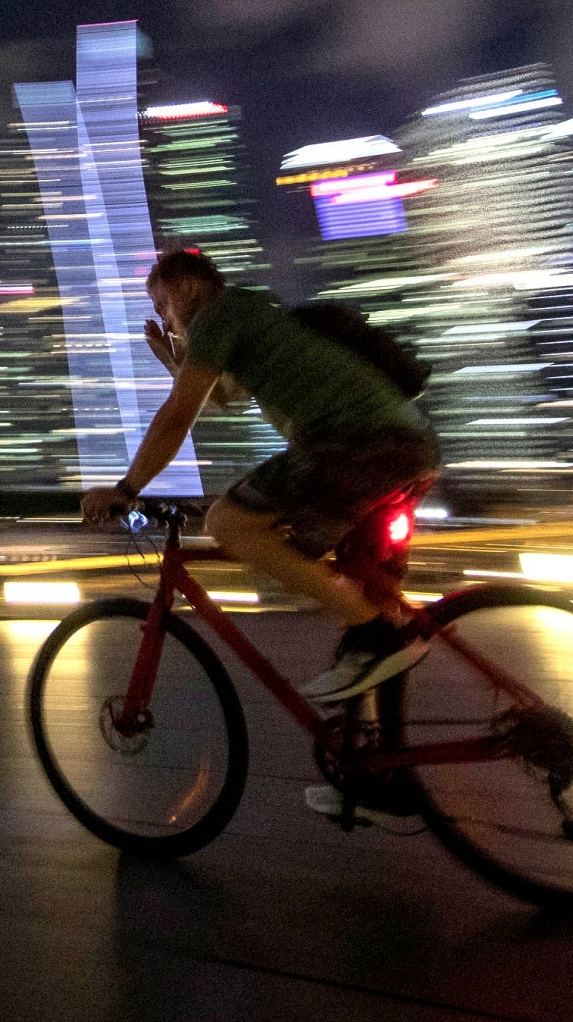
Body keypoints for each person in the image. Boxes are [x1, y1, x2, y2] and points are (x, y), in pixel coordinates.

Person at [78, 247, 441, 705]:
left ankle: (373, 636)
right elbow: (226, 396)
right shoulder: (250, 310)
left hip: (358, 443)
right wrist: (175, 361)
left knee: (228, 522)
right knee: (361, 594)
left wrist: (125, 489)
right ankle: (379, 768)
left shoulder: (217, 316)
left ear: (187, 286)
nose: (166, 321)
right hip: (408, 443)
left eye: (162, 306)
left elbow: (177, 416)